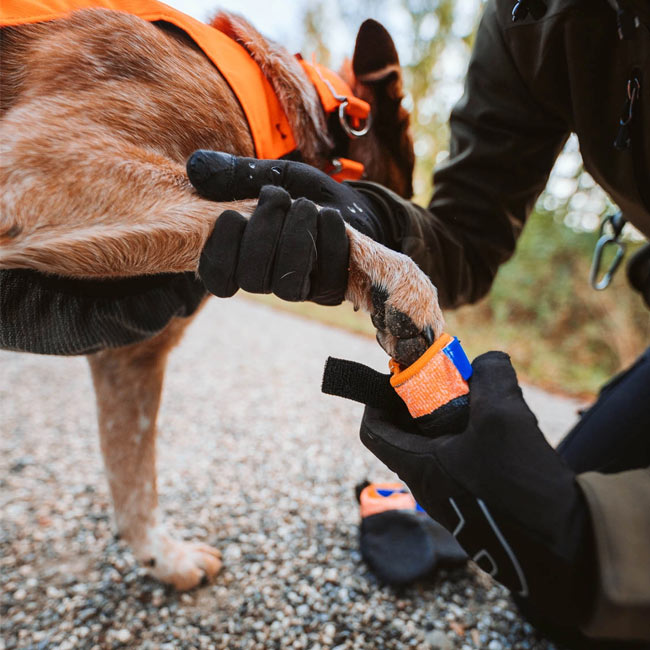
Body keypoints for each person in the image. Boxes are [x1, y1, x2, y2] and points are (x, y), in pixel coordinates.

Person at [2, 0, 648, 643]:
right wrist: (372, 229)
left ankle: (140, 532)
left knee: (574, 570)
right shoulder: (525, 19)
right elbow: (466, 242)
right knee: (552, 566)